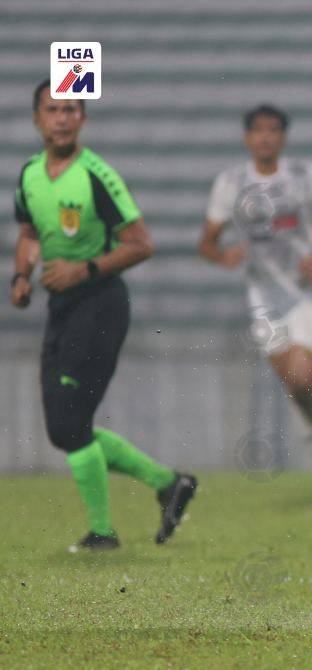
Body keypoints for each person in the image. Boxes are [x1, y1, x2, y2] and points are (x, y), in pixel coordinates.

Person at [10, 81, 197, 552]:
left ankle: (102, 532)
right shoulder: (30, 174)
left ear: (83, 120)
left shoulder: (97, 175)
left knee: (70, 422)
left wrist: (83, 268)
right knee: (62, 427)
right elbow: (30, 231)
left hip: (100, 305)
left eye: (71, 109)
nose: (62, 118)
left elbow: (141, 244)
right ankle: (168, 483)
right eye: (52, 109)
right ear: (37, 118)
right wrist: (20, 275)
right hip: (62, 305)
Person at [198, 104, 312, 501]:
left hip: (304, 293)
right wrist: (224, 256)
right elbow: (206, 243)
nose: (265, 137)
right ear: (247, 138)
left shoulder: (303, 175)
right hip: (263, 299)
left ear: (283, 138)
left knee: (302, 378)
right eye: (258, 130)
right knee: (297, 387)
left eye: (273, 130)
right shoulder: (230, 183)